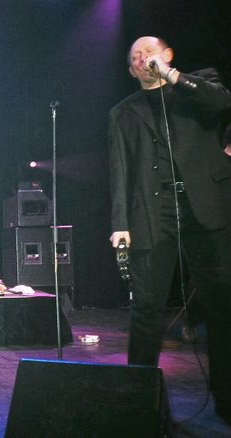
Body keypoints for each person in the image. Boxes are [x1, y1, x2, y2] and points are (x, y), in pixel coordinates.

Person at [108, 36, 231, 424]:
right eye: (135, 57)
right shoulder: (123, 112)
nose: (142, 59)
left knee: (221, 308)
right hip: (151, 213)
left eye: (148, 52)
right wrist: (120, 223)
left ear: (167, 55)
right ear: (131, 71)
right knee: (147, 311)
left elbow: (222, 102)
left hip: (205, 209)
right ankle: (138, 405)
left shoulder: (199, 85)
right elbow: (119, 170)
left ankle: (227, 401)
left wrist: (172, 76)